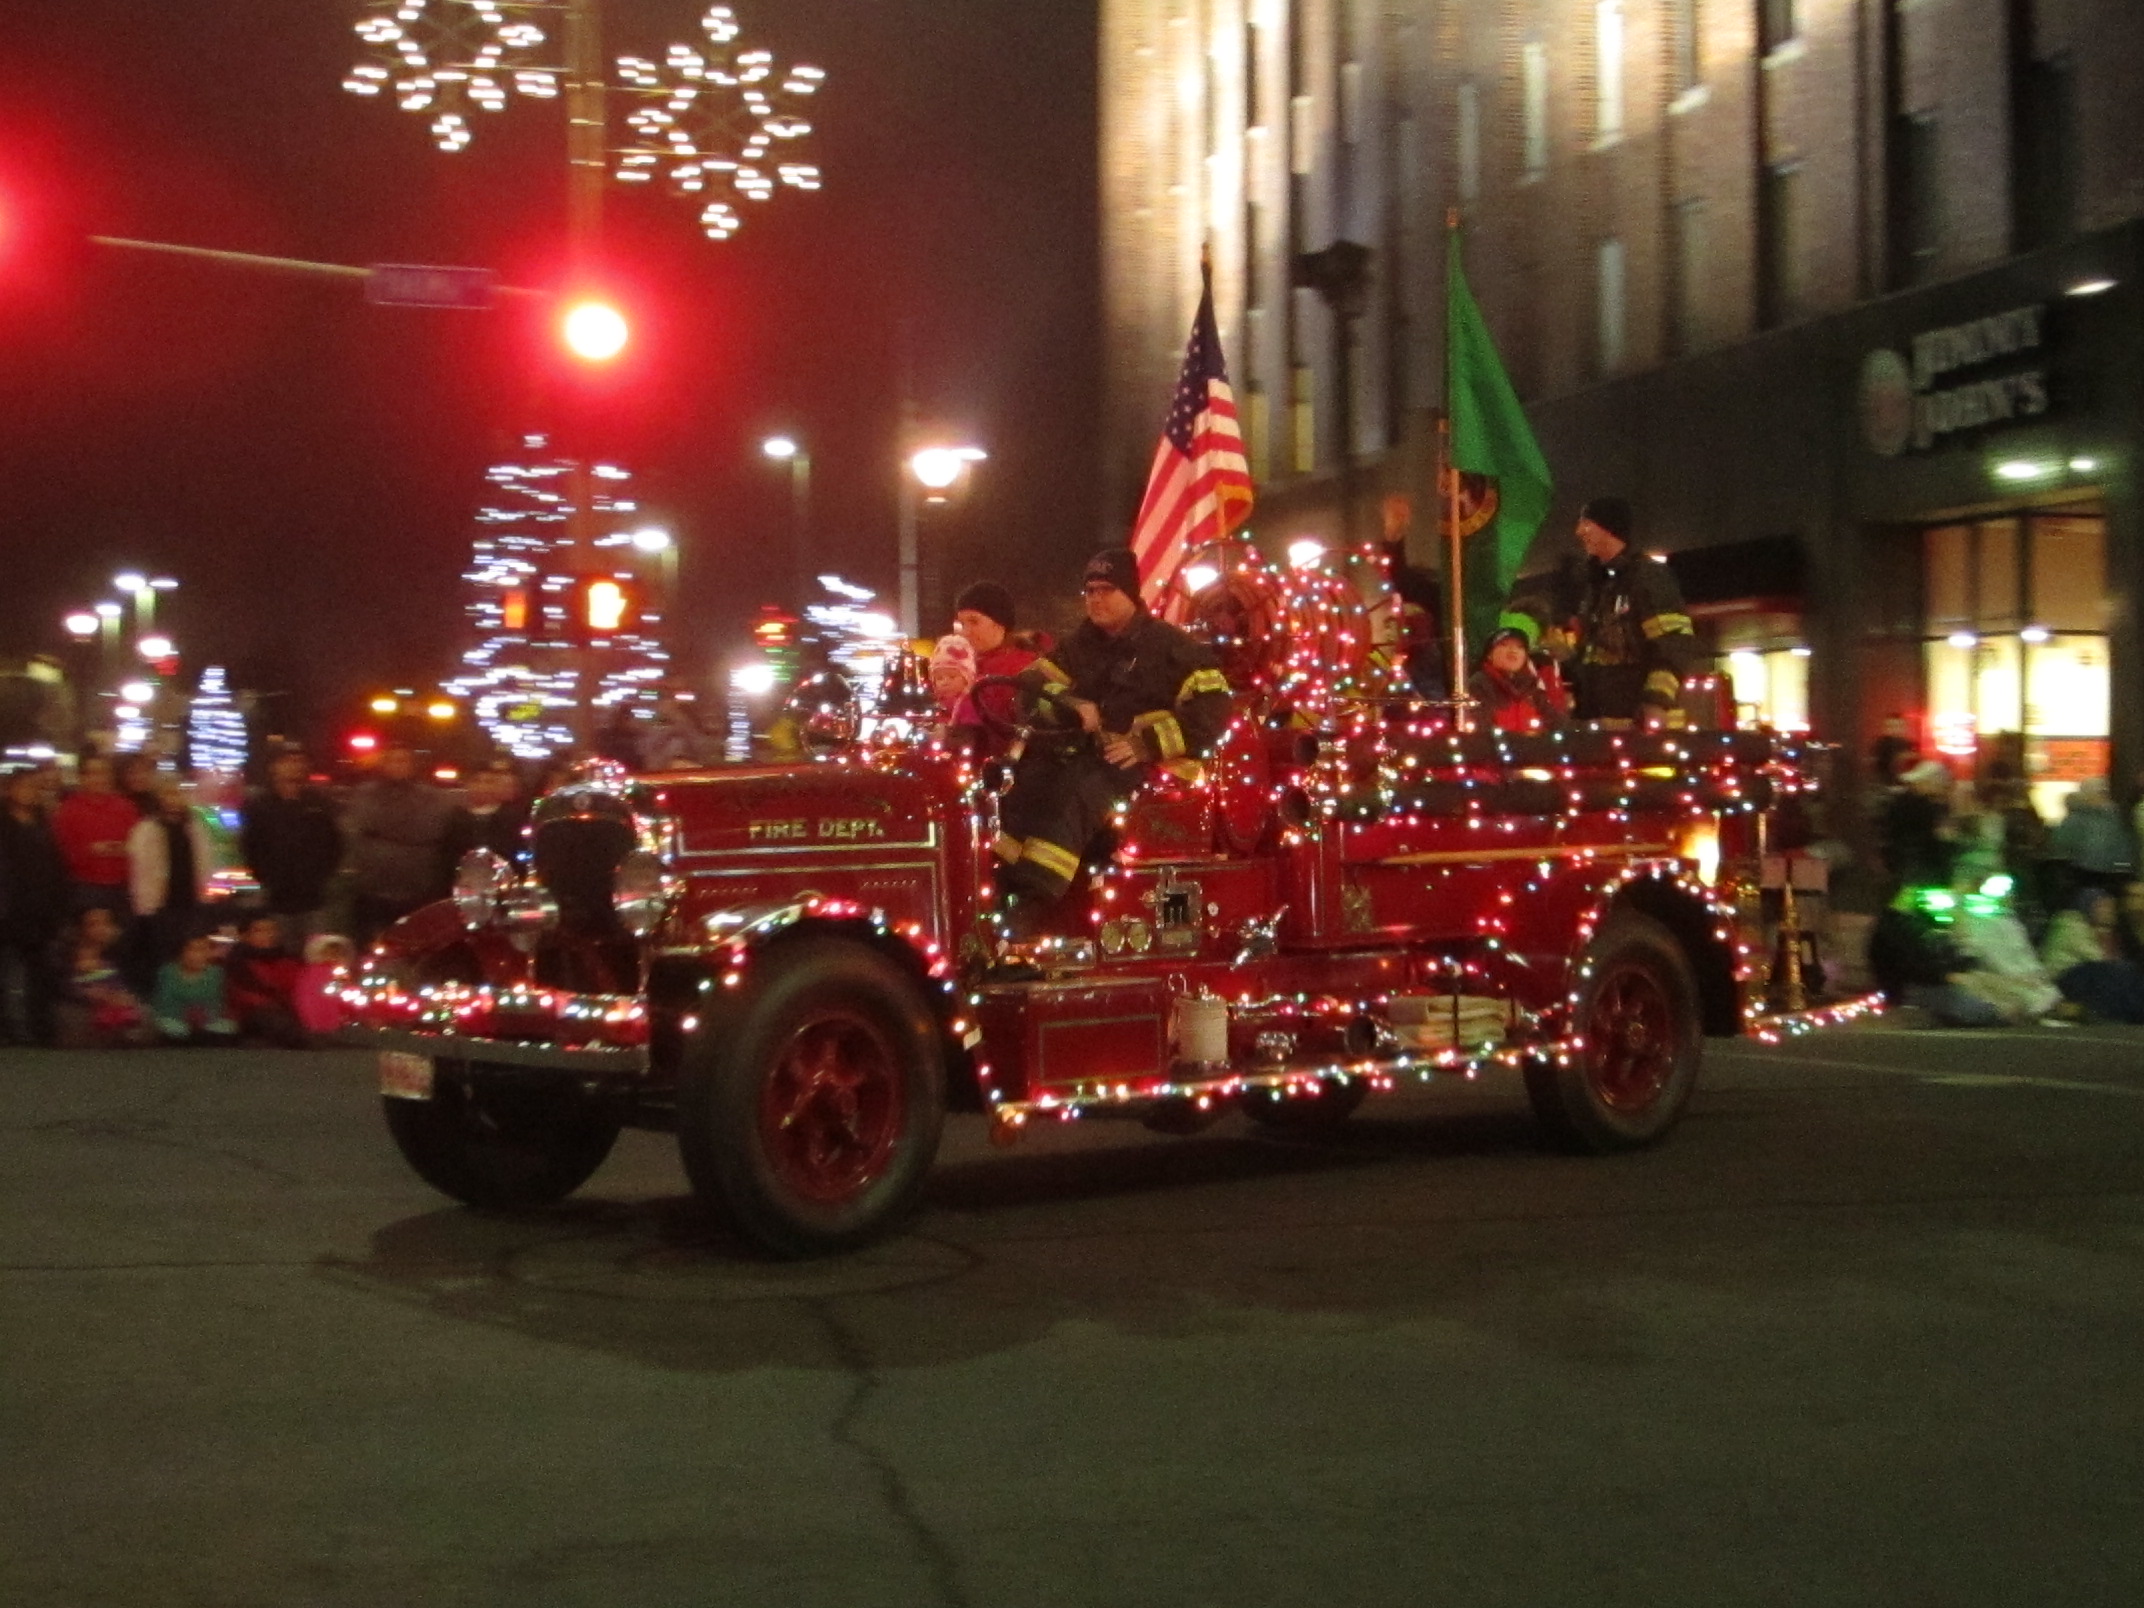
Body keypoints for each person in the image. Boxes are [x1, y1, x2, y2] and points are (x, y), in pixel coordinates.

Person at [995, 548, 1231, 933]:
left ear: (1132, 595)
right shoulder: (1078, 646)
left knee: (1075, 794)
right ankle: (1003, 885)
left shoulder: (1175, 649)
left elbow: (1214, 711)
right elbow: (1029, 688)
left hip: (1148, 767)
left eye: (1106, 589)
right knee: (1021, 784)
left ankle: (1033, 909)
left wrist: (1146, 744)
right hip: (1085, 754)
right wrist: (1071, 705)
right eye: (1089, 590)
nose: (1095, 598)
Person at [1535, 497, 1700, 724]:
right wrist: (1567, 660)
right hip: (1601, 725)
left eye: (1586, 524)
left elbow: (1674, 643)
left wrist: (1656, 700)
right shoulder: (1595, 586)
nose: (1578, 531)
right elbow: (1602, 659)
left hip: (1640, 728)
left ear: (1608, 528)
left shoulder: (1647, 578)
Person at [343, 742, 455, 945]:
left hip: (416, 887)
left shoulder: (431, 797)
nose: (397, 765)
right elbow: (359, 824)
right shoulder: (366, 794)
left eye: (402, 760)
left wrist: (385, 830)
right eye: (392, 760)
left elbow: (430, 829)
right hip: (373, 888)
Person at [240, 744, 343, 940]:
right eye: (287, 761)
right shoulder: (260, 805)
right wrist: (266, 877)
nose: (294, 766)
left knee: (315, 954)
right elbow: (250, 846)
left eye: (299, 761)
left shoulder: (319, 803)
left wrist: (322, 875)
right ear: (274, 767)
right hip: (276, 897)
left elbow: (334, 844)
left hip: (314, 897)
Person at [0, 764, 69, 1046]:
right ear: (10, 790)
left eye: (34, 788)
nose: (30, 793)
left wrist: (59, 905)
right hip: (8, 912)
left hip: (41, 913)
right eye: (24, 786)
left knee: (40, 975)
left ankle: (39, 1027)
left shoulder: (43, 824)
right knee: (8, 974)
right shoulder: (5, 826)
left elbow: (55, 869)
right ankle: (11, 1029)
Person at [126, 777, 218, 988]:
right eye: (168, 793)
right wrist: (144, 904)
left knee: (190, 957)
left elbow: (206, 862)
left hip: (191, 903)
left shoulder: (196, 827)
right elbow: (141, 869)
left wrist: (207, 895)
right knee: (164, 959)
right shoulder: (147, 829)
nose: (174, 799)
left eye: (178, 793)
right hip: (161, 906)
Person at [50, 753, 144, 916]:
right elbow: (60, 852)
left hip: (123, 887)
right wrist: (90, 850)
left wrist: (125, 848)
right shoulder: (68, 810)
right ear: (81, 777)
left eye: (104, 773)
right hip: (85, 887)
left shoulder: (126, 807)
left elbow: (140, 844)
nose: (99, 778)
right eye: (92, 773)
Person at [2041, 888, 2144, 1023]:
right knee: (2123, 973)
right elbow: (2096, 957)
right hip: (2066, 976)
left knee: (2126, 977)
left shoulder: (2113, 932)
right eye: (2102, 906)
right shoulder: (2070, 922)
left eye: (2111, 906)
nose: (2109, 910)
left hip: (2092, 978)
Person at [60, 905, 150, 1048]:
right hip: (85, 1004)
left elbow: (129, 983)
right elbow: (66, 985)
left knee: (142, 1013)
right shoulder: (72, 954)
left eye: (105, 923)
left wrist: (123, 995)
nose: (100, 929)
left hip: (118, 999)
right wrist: (87, 994)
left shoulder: (123, 951)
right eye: (93, 924)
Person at [2046, 775, 2134, 904]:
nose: (2101, 797)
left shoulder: (2113, 817)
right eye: (2098, 793)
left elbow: (2122, 843)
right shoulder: (2077, 819)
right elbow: (2062, 846)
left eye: (2103, 793)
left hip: (2110, 875)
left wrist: (2123, 867)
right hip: (2082, 874)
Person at [224, 913, 308, 1047]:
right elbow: (241, 994)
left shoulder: (289, 960)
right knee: (268, 1016)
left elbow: (299, 987)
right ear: (244, 936)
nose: (268, 935)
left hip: (285, 1009)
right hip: (252, 1013)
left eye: (272, 930)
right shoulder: (237, 962)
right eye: (260, 931)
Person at [1466, 625, 1566, 732]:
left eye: (1520, 647)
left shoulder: (1531, 687)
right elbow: (1481, 731)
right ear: (1489, 655)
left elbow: (1557, 723)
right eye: (1504, 645)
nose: (1513, 651)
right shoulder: (1478, 686)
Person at [1879, 760, 1954, 893]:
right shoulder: (1921, 805)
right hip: (1916, 866)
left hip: (1902, 863)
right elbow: (1930, 839)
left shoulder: (1901, 801)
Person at [150, 931, 237, 1045]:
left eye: (203, 949)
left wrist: (204, 1015)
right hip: (175, 1020)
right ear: (181, 952)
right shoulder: (168, 972)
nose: (198, 955)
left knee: (228, 1028)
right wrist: (186, 1015)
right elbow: (163, 1004)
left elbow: (217, 1003)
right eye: (193, 950)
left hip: (207, 1021)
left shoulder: (216, 973)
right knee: (171, 1029)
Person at [444, 758, 530, 868]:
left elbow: (521, 854)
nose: (482, 787)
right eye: (476, 781)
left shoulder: (513, 819)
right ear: (468, 784)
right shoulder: (454, 819)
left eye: (488, 782)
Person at [295, 933, 355, 1040]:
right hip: (315, 999)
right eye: (329, 953)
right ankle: (316, 1032)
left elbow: (343, 985)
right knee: (316, 1015)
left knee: (332, 1014)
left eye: (337, 954)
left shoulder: (340, 971)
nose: (333, 957)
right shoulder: (314, 969)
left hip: (332, 1000)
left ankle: (331, 1032)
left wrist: (344, 986)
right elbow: (307, 987)